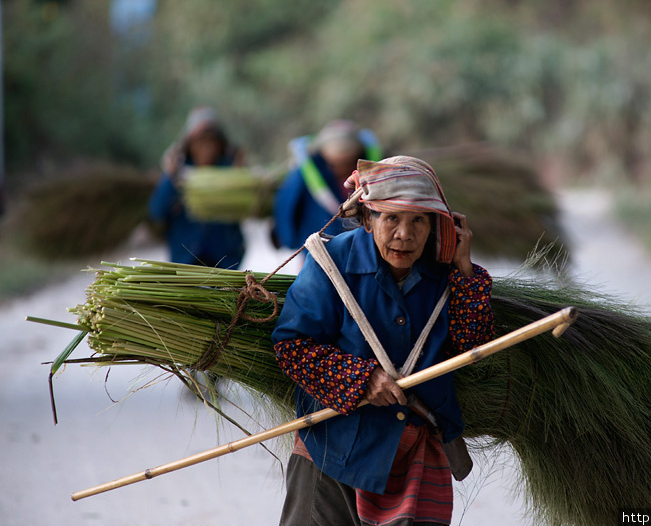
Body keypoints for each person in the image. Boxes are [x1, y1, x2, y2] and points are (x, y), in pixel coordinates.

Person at [272, 156, 495, 526]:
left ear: (439, 227)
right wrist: (362, 379)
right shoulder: (331, 263)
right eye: (391, 218)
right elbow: (292, 346)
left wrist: (465, 269)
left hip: (414, 453)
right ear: (366, 219)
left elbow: (473, 348)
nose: (404, 235)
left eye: (418, 221)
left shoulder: (449, 275)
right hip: (332, 450)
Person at [148, 106, 246, 269]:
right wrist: (170, 178)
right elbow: (156, 211)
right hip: (185, 262)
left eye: (211, 141)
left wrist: (239, 177)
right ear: (189, 144)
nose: (206, 148)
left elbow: (245, 210)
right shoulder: (177, 174)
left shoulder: (231, 172)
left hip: (225, 262)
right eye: (200, 141)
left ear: (220, 144)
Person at [271, 120, 382, 251]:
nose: (341, 170)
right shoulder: (306, 174)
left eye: (348, 164)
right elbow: (287, 206)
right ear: (324, 158)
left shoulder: (374, 171)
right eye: (335, 164)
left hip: (362, 248)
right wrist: (289, 239)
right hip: (317, 249)